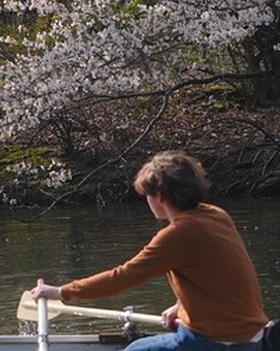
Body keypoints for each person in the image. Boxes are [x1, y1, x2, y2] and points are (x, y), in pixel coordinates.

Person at [30, 150, 268, 351]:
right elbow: (215, 275)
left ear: (160, 197)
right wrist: (181, 306)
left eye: (147, 195)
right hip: (254, 335)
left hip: (219, 342)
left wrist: (61, 292)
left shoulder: (176, 235)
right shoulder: (216, 214)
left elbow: (121, 277)